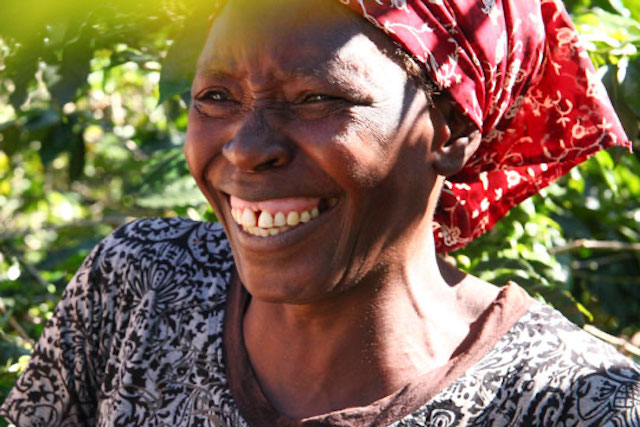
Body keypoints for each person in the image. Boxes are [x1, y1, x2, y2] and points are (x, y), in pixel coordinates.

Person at [2, 0, 639, 425]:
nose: (246, 148)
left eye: (314, 98)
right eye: (216, 96)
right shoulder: (139, 288)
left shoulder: (576, 402)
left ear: (450, 131)